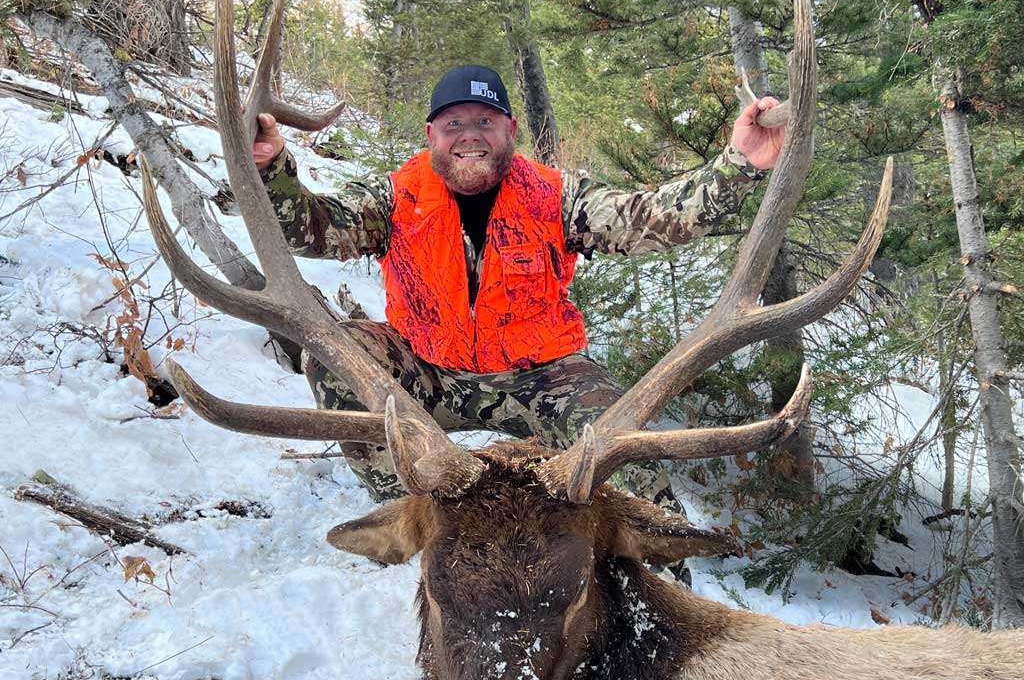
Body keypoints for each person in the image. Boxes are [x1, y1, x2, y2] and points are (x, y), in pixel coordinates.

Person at [250, 64, 786, 509]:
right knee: (335, 355)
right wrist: (272, 167)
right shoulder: (397, 196)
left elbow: (655, 217)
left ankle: (657, 583)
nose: (469, 135)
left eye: (485, 120)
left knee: (625, 456)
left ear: (510, 131)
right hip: (430, 371)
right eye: (453, 122)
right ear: (431, 134)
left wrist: (741, 163)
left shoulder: (554, 196)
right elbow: (312, 227)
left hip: (543, 380)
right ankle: (407, 510)